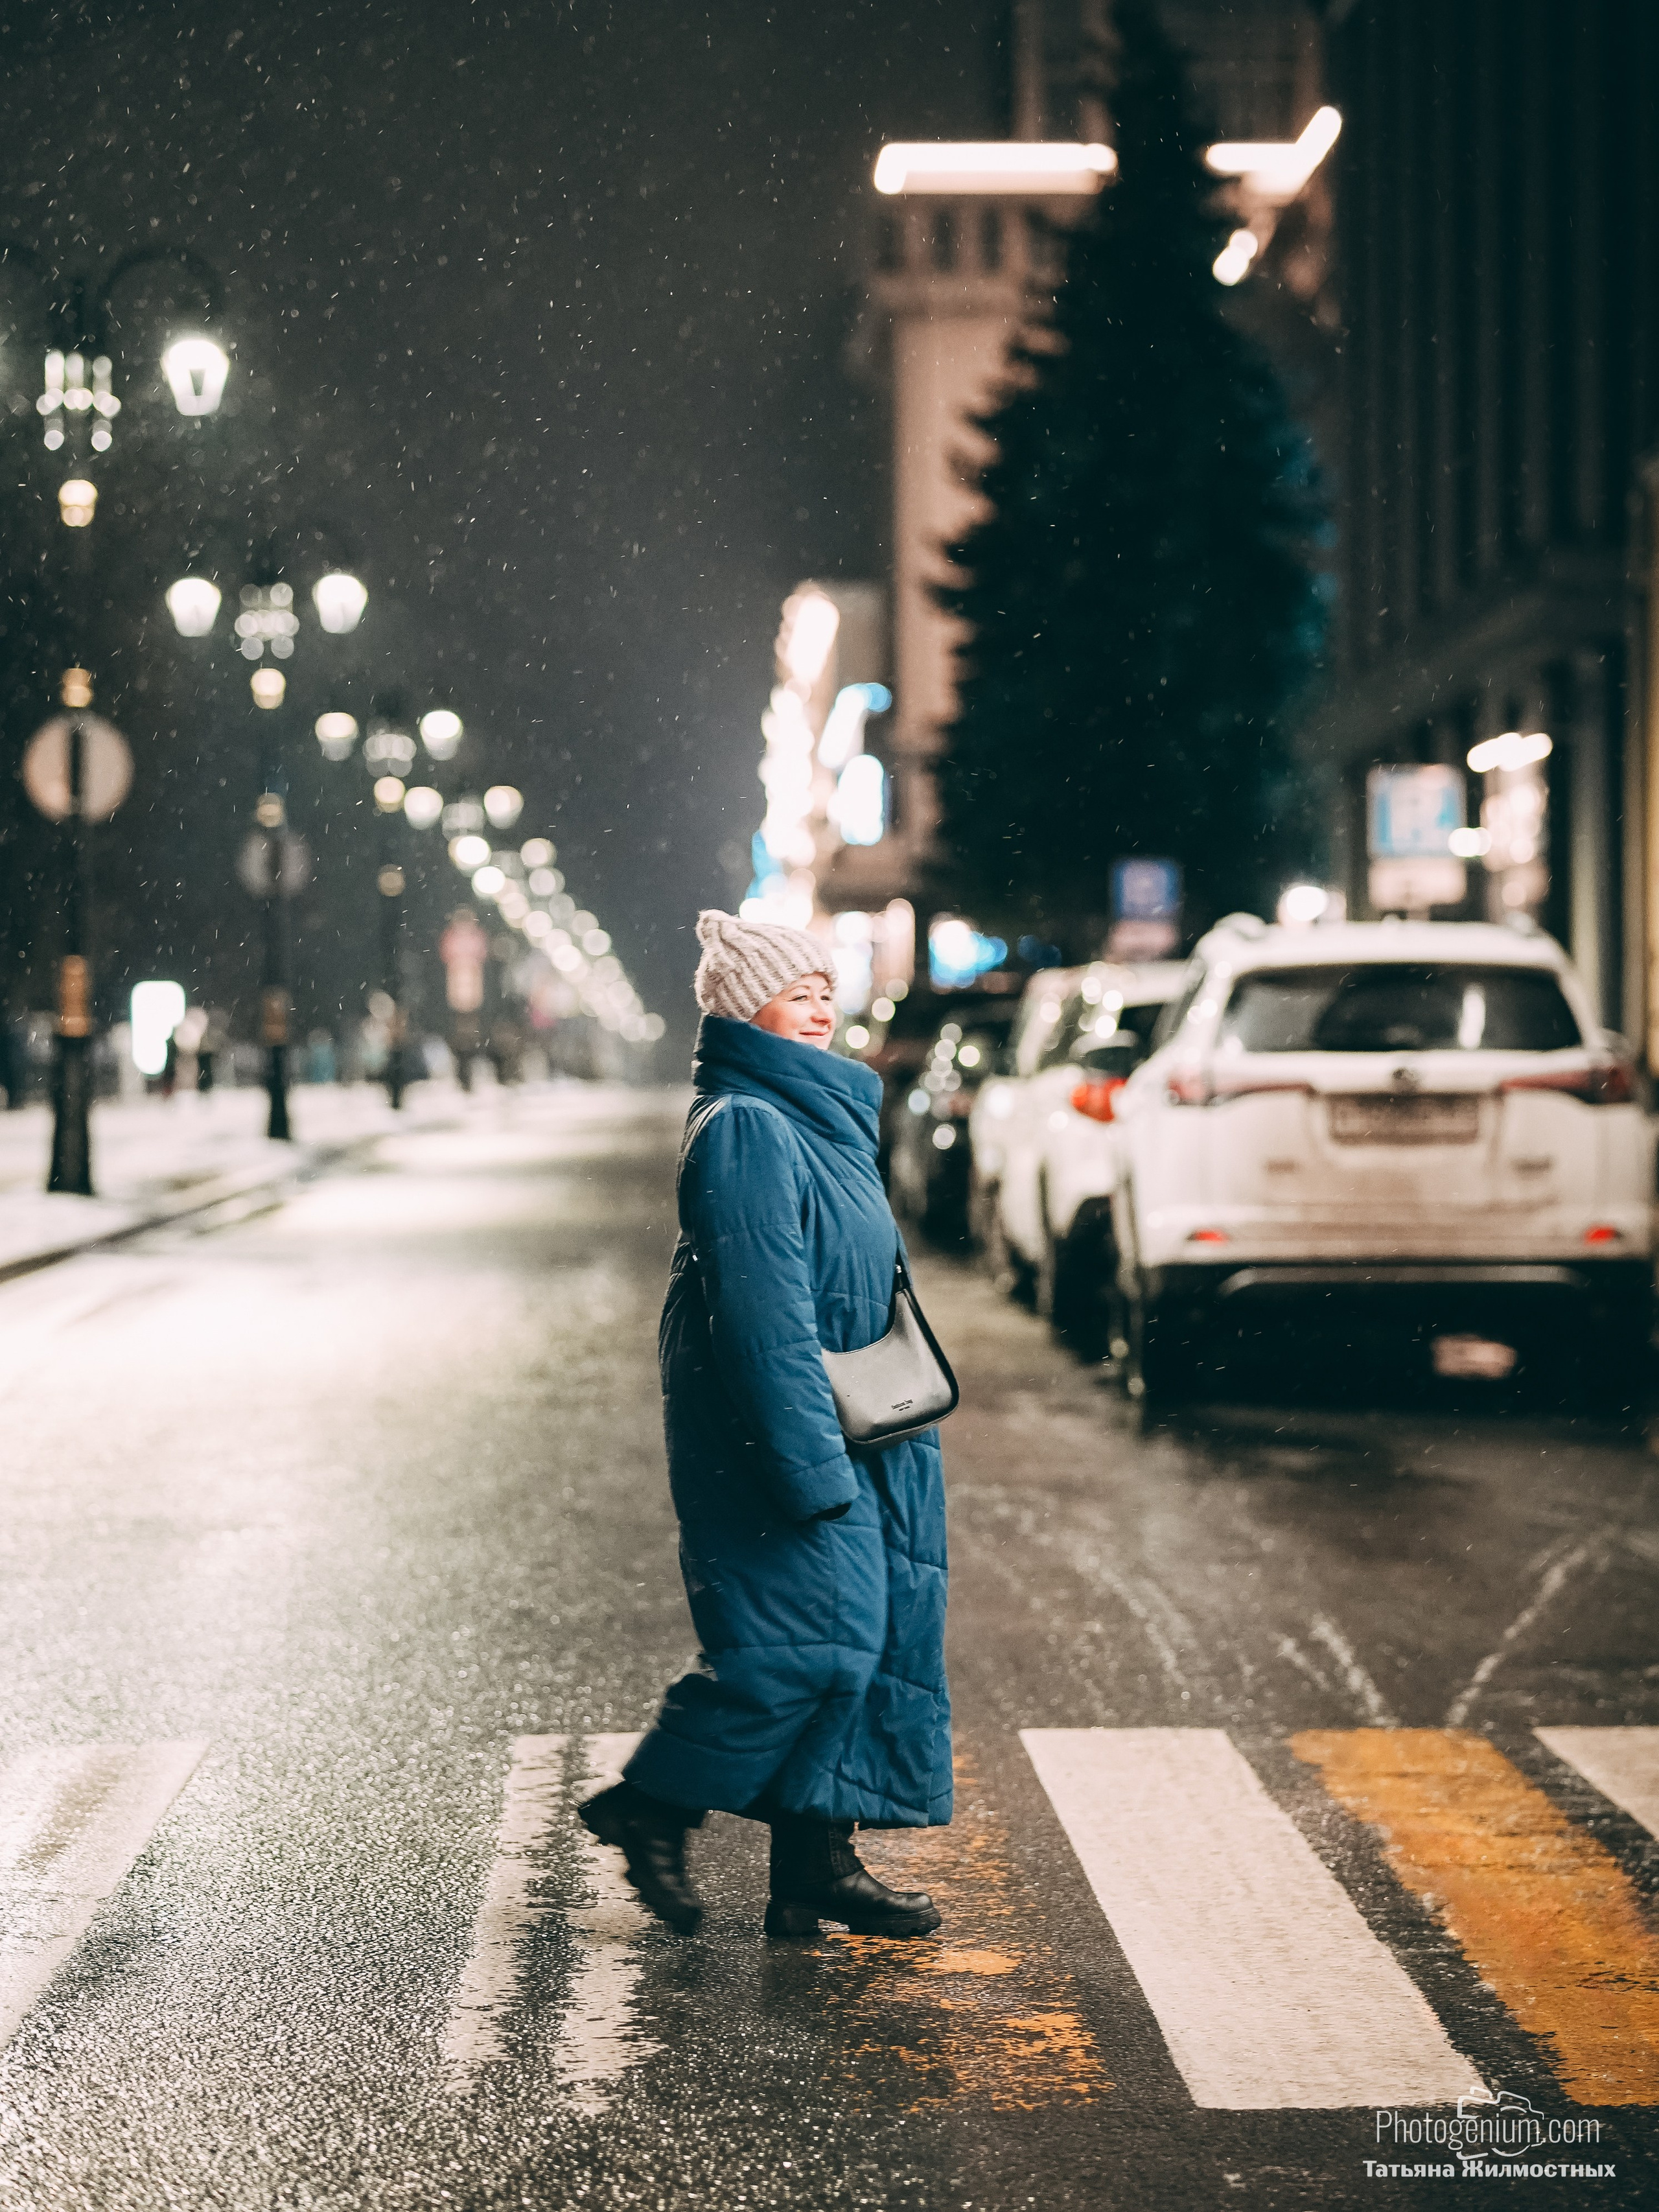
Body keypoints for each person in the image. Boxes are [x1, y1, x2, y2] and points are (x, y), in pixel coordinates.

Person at [581, 910, 951, 1940]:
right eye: (799, 989)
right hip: (783, 1432)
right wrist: (807, 1466)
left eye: (829, 987)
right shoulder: (747, 1125)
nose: (823, 1004)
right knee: (805, 1646)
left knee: (856, 1638)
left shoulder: (818, 1116)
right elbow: (763, 1324)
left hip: (849, 1422)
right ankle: (651, 1799)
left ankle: (815, 1865)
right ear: (745, 1007)